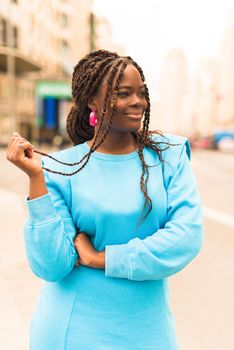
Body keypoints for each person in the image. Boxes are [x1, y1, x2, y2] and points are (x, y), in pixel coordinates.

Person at [6, 49, 203, 350]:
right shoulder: (59, 167)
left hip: (147, 333)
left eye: (141, 92)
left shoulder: (170, 155)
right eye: (123, 93)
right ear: (92, 102)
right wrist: (36, 180)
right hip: (72, 332)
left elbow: (186, 237)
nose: (138, 102)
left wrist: (103, 258)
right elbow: (52, 266)